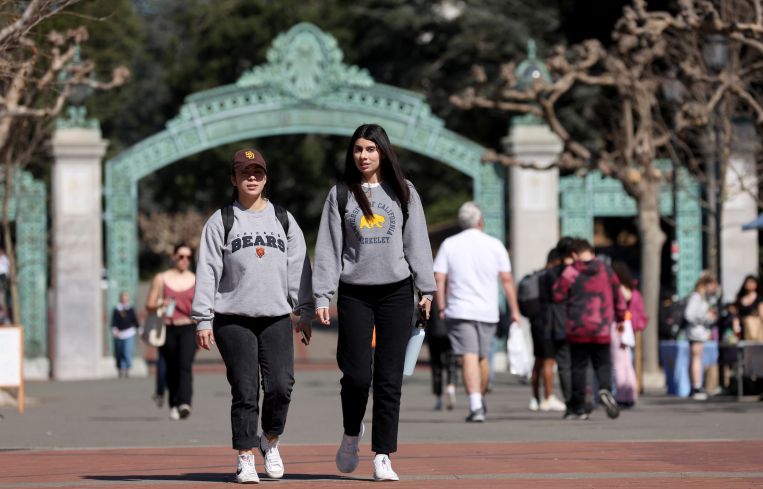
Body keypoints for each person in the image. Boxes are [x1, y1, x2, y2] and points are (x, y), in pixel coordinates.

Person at [313, 124, 435, 481]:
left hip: (396, 292)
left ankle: (383, 454)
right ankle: (352, 433)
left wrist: (426, 290)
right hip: (355, 293)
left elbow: (417, 243)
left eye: (370, 149)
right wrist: (322, 295)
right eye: (357, 150)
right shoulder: (340, 195)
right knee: (355, 374)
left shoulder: (403, 191)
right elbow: (328, 249)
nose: (363, 156)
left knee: (388, 378)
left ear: (383, 152)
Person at [192, 148, 313, 483]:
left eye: (257, 172)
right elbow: (207, 271)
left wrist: (303, 310)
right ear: (234, 179)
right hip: (233, 318)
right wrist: (203, 318)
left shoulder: (284, 219)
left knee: (280, 386)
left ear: (265, 177)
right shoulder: (221, 221)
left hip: (275, 316)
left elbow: (299, 267)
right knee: (245, 389)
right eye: (244, 173)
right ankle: (245, 455)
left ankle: (269, 440)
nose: (252, 178)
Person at [433, 201, 521, 423]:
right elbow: (507, 280)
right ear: (480, 221)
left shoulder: (449, 244)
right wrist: (514, 310)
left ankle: (476, 404)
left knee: (469, 355)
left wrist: (441, 305)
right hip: (488, 310)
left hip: (460, 308)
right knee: (482, 356)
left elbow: (439, 278)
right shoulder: (495, 244)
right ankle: (479, 399)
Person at [552, 239, 624, 420]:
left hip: (578, 328)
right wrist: (621, 317)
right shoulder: (606, 270)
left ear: (575, 254)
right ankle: (605, 389)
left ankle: (579, 406)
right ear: (592, 252)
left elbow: (557, 294)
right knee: (603, 363)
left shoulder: (571, 272)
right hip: (601, 327)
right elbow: (618, 295)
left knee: (578, 368)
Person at [145, 243, 196, 421]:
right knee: (171, 367)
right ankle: (173, 403)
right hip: (167, 327)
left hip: (189, 326)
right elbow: (149, 304)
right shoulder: (161, 278)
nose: (184, 260)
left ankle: (185, 403)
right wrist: (160, 304)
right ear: (174, 257)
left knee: (185, 365)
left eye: (188, 257)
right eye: (181, 256)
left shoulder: (196, 279)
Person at [527, 249, 566, 412]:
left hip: (535, 322)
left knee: (538, 361)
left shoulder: (536, 275)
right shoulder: (551, 276)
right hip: (549, 323)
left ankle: (535, 397)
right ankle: (548, 397)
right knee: (549, 361)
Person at [611, 261, 647, 407]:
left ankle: (621, 395)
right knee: (627, 362)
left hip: (619, 325)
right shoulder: (634, 291)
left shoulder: (618, 289)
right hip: (629, 327)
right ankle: (630, 394)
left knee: (619, 363)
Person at [684, 272, 719, 400]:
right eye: (712, 285)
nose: (713, 288)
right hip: (696, 332)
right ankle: (696, 386)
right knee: (696, 359)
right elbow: (689, 315)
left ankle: (695, 386)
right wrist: (705, 318)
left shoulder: (703, 298)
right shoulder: (696, 297)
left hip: (698, 331)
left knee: (695, 358)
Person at [426, 299, 458, 410]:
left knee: (436, 365)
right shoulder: (452, 293)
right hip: (450, 332)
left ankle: (439, 399)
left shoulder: (431, 293)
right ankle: (451, 387)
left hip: (433, 332)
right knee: (452, 362)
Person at [111, 291, 139, 378]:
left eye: (126, 297)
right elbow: (114, 321)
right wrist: (114, 329)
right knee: (119, 352)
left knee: (127, 351)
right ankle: (120, 368)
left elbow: (134, 320)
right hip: (119, 334)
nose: (124, 299)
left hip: (128, 333)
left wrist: (139, 329)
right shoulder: (117, 309)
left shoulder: (130, 309)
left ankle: (127, 368)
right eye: (123, 297)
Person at [734, 275, 763, 341]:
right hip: (744, 330)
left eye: (752, 282)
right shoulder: (740, 299)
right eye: (748, 282)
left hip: (756, 330)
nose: (750, 284)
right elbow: (737, 317)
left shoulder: (759, 299)